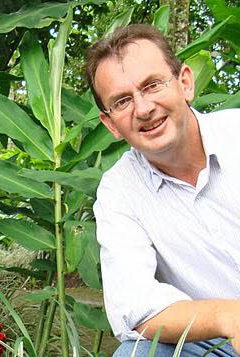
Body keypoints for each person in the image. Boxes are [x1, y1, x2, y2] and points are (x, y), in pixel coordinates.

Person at [85, 24, 240, 356]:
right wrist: (228, 316)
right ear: (110, 124)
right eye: (122, 101)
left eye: (152, 85)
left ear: (184, 82)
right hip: (219, 344)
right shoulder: (118, 192)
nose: (143, 109)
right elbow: (136, 305)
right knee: (138, 353)